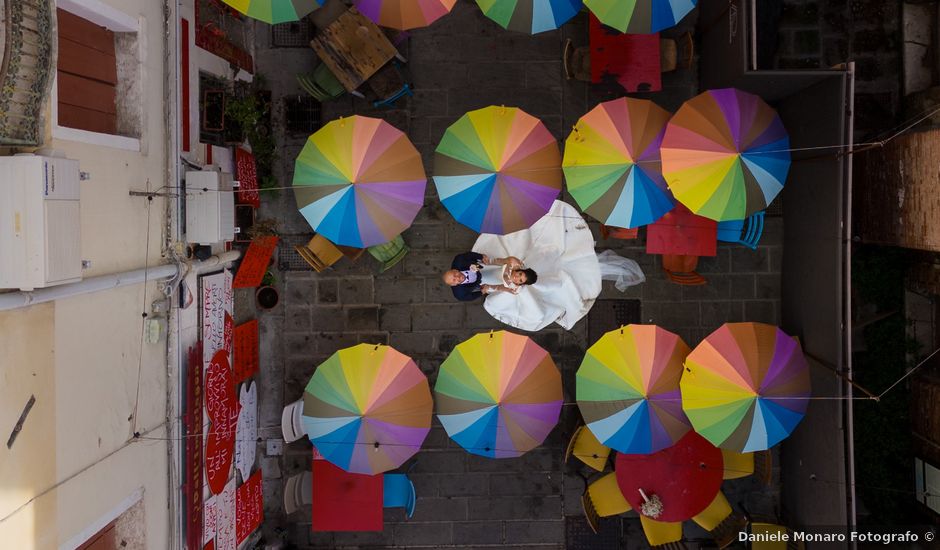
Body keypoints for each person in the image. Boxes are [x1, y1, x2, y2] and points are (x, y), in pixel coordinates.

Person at [443, 253, 535, 301]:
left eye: (455, 275)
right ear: (454, 285)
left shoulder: (459, 261)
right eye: (455, 281)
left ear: (455, 270)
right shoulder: (459, 293)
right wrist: (481, 292)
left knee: (486, 268)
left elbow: (468, 255)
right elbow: (468, 297)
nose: (458, 278)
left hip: (485, 270)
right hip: (480, 280)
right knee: (486, 278)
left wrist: (480, 256)